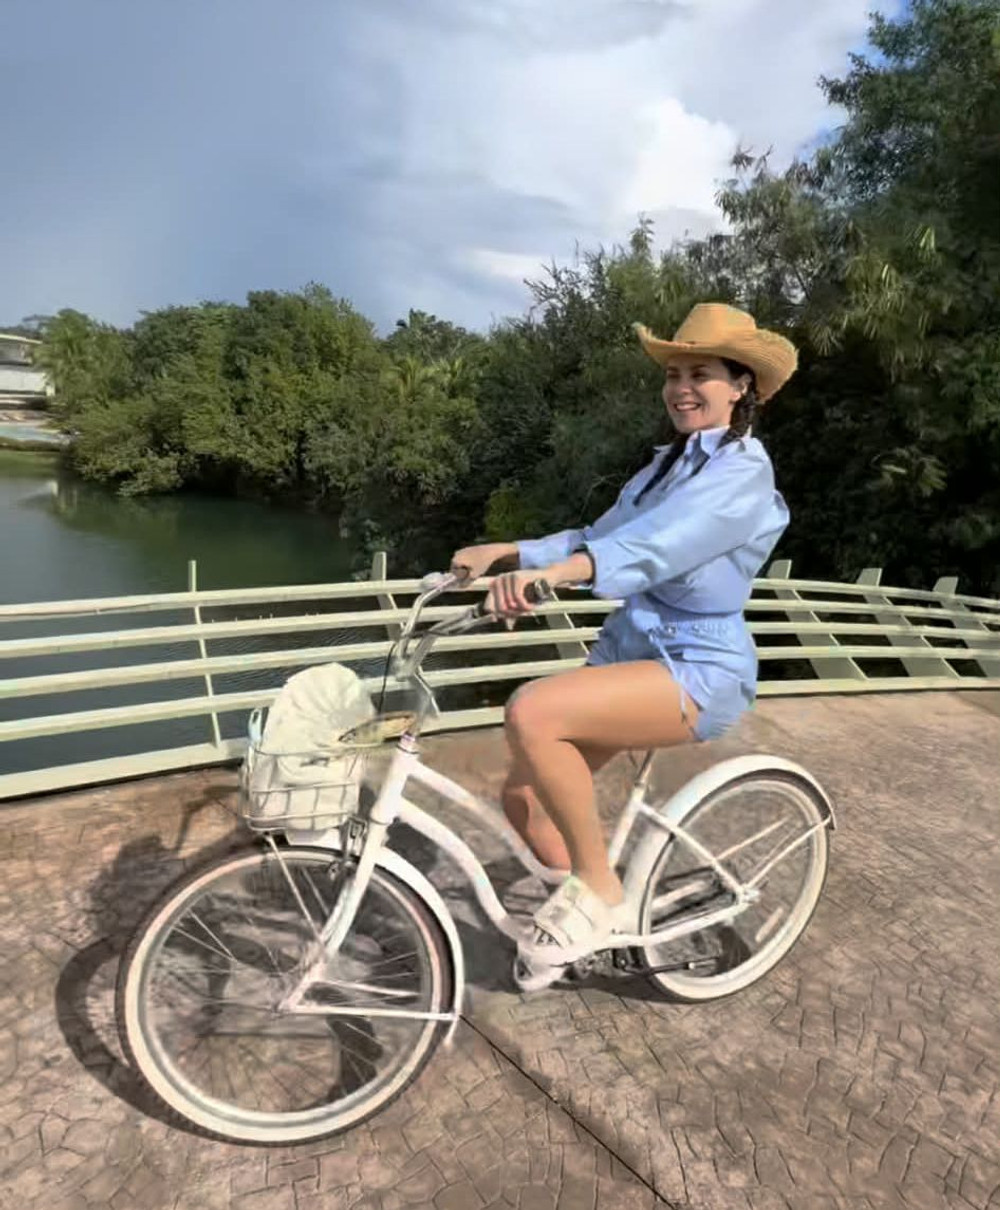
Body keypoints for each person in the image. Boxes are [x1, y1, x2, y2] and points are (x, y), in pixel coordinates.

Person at [450, 302, 797, 989]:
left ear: (740, 386)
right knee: (523, 798)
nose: (681, 387)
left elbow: (658, 548)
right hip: (629, 650)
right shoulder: (663, 467)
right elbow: (599, 536)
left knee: (533, 712)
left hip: (695, 667)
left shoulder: (743, 474)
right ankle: (584, 919)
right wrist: (509, 550)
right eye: (673, 374)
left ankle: (598, 888)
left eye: (699, 373)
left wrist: (555, 577)